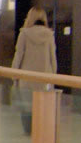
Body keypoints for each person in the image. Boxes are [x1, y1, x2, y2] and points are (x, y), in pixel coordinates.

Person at [11, 7, 57, 135]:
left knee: (26, 107)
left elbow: (18, 55)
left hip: (26, 78)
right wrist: (54, 76)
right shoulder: (49, 35)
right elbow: (53, 58)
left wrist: (13, 74)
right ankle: (40, 131)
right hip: (44, 78)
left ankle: (28, 131)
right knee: (42, 106)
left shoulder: (24, 34)